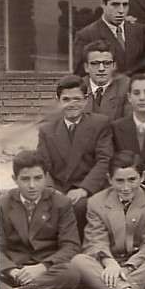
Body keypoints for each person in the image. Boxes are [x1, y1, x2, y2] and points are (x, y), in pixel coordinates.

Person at [69, 151, 145, 289]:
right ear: (109, 179)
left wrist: (128, 268)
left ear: (142, 177)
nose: (126, 187)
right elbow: (95, 240)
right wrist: (110, 263)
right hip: (109, 265)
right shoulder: (96, 202)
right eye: (119, 181)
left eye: (132, 180)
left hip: (141, 264)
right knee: (79, 260)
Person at [0, 150, 81, 289]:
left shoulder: (61, 203)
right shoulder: (2, 205)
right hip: (13, 271)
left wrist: (42, 267)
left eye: (37, 178)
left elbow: (71, 245)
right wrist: (11, 270)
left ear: (46, 177)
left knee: (72, 273)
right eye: (25, 179)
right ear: (15, 180)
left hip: (46, 271)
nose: (32, 185)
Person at [38, 75, 113, 236]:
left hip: (90, 189)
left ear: (86, 100)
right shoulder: (46, 129)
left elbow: (104, 160)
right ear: (58, 101)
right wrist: (52, 190)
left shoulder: (100, 124)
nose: (72, 105)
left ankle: (78, 249)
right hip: (59, 188)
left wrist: (83, 189)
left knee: (80, 206)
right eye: (66, 99)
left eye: (77, 99)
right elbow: (41, 165)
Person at [72, 0, 145, 76]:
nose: (121, 10)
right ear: (103, 4)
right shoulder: (86, 35)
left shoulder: (139, 30)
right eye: (115, 4)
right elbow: (80, 76)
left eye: (125, 5)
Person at [80, 40, 131, 121]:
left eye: (107, 63)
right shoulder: (78, 88)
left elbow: (127, 125)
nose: (101, 69)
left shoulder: (127, 86)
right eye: (95, 63)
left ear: (114, 66)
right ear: (86, 67)